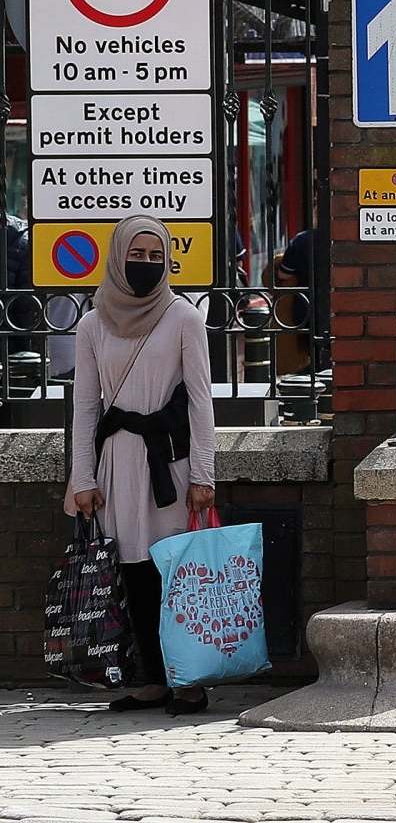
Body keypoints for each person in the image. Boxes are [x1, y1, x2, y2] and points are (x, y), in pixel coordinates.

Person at [64, 216, 217, 713]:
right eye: (137, 254)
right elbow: (86, 406)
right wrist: (82, 477)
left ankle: (189, 680)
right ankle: (150, 678)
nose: (146, 265)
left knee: (176, 573)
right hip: (117, 467)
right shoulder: (92, 323)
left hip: (168, 466)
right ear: (117, 256)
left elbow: (200, 402)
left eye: (156, 256)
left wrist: (202, 473)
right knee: (132, 575)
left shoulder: (184, 318)